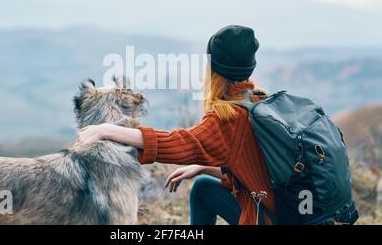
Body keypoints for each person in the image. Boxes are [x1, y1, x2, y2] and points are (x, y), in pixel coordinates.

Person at [75, 25, 276, 225]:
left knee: (203, 190)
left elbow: (176, 143)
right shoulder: (260, 101)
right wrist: (202, 168)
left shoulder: (228, 118)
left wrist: (104, 130)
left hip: (263, 219)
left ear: (213, 69)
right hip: (282, 212)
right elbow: (254, 174)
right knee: (203, 188)